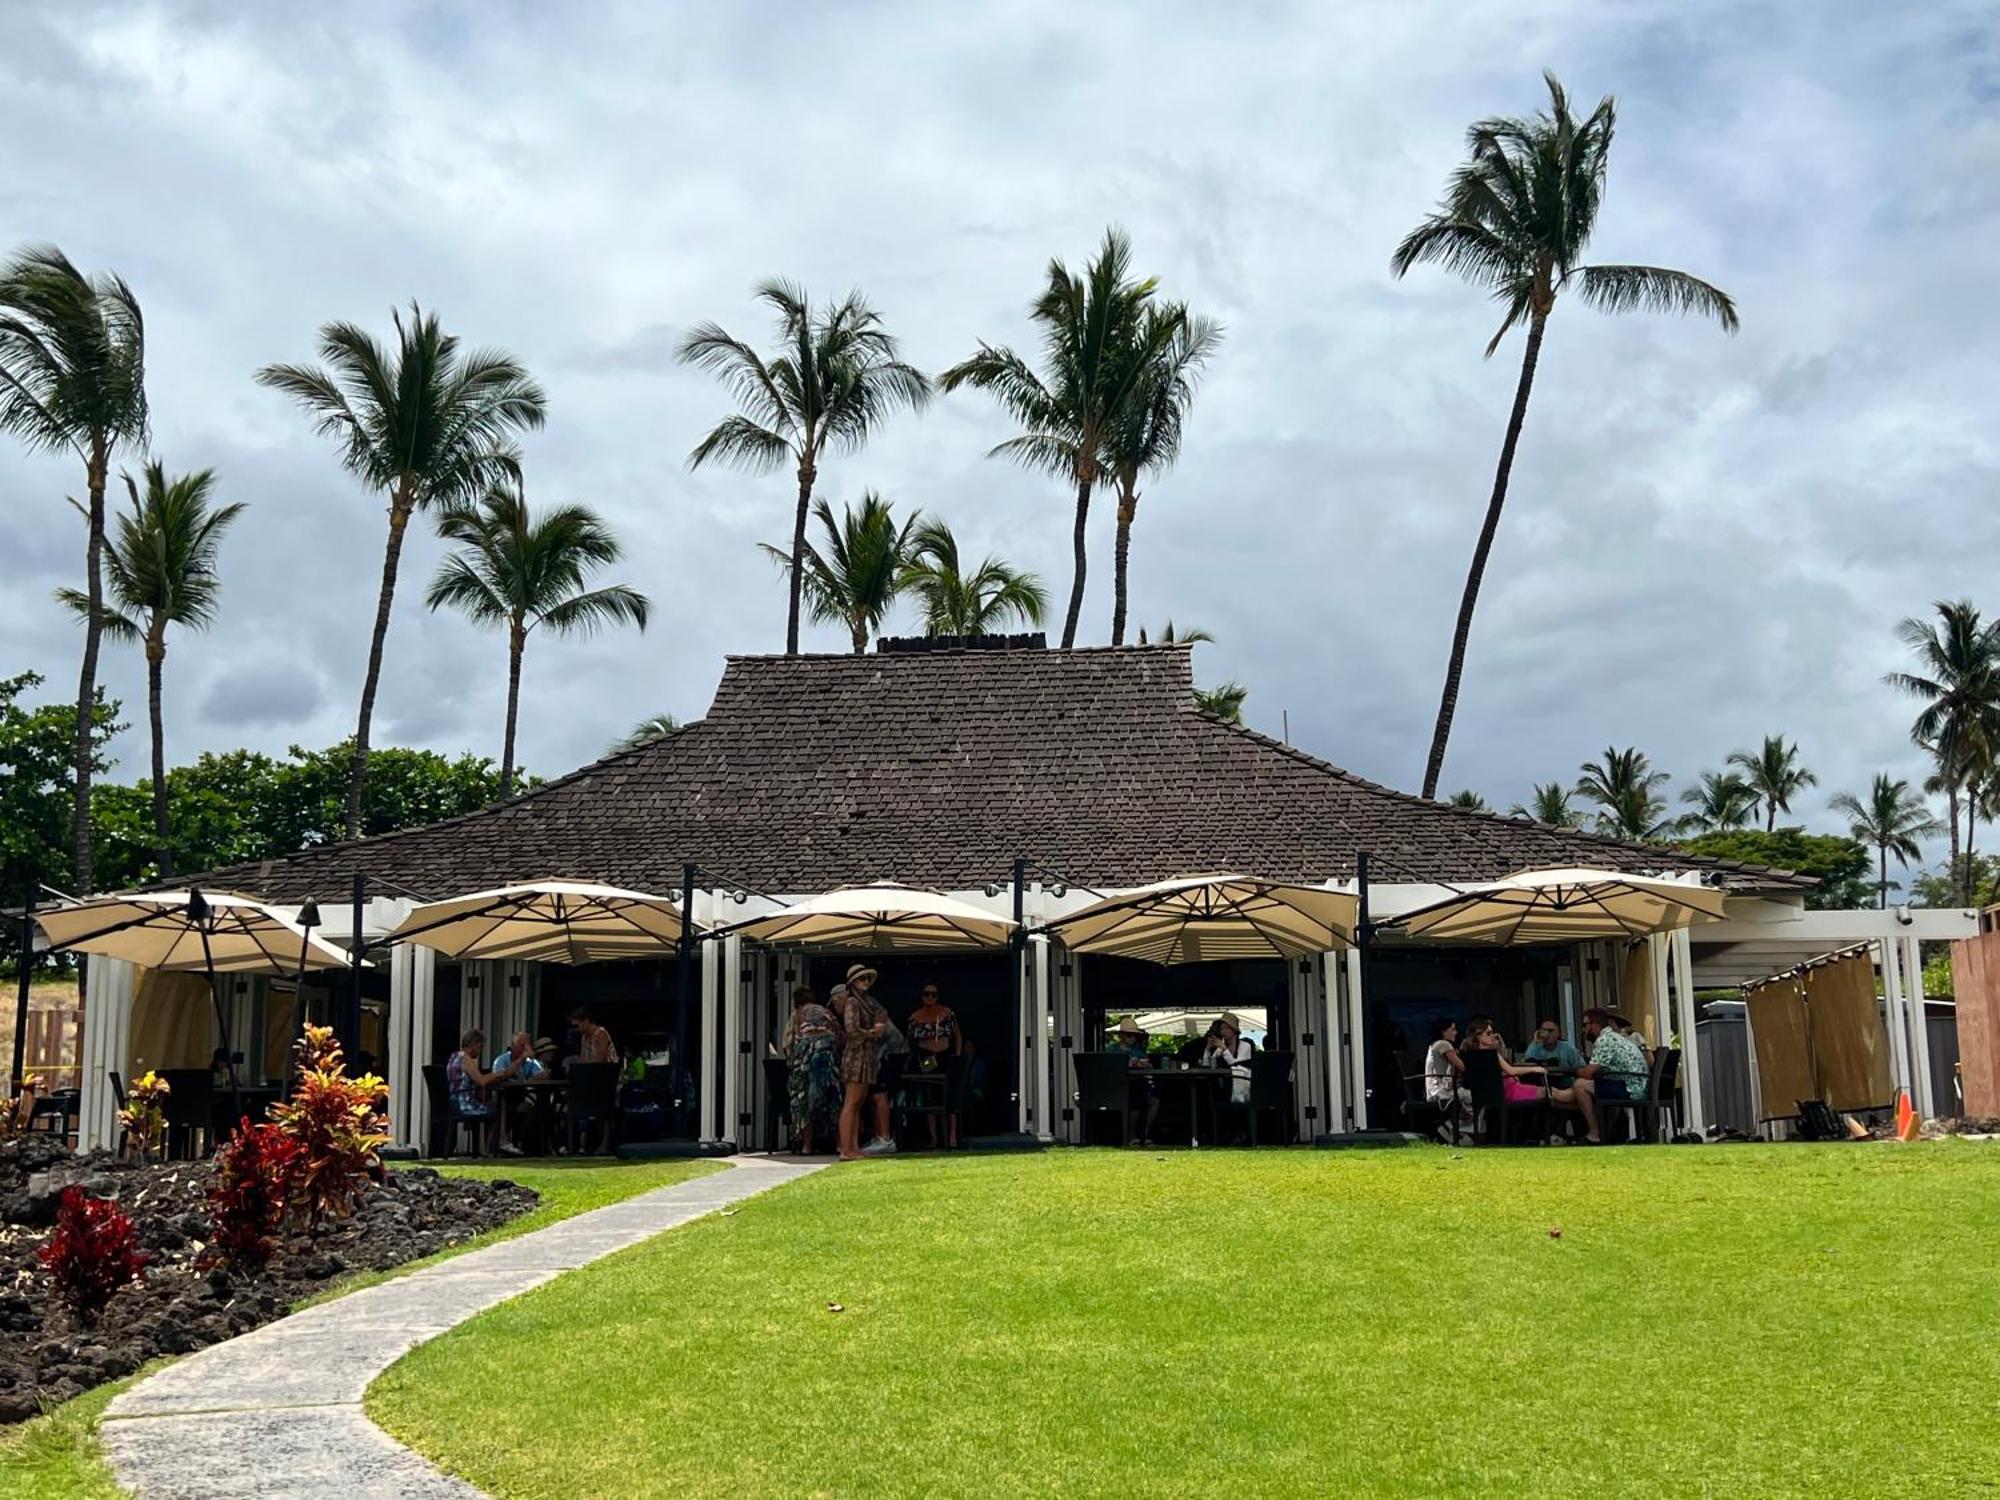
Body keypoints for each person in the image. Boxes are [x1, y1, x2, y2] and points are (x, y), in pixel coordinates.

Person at [1469, 1022, 1599, 1143]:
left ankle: (1581, 1101)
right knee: (1551, 1092)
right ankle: (1584, 1099)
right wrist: (1535, 1068)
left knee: (1553, 1094)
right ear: (1479, 1036)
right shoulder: (1492, 1054)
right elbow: (1511, 1070)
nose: (1493, 1036)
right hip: (1510, 1091)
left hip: (1494, 1093)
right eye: (1488, 1033)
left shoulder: (1472, 1055)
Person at [833, 964, 889, 1160]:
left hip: (865, 1056)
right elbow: (852, 1030)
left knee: (857, 1104)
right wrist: (873, 1032)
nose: (865, 981)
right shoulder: (852, 1003)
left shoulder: (865, 1002)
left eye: (867, 978)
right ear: (852, 982)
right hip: (856, 1057)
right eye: (861, 978)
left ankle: (853, 1147)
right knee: (851, 1103)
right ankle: (845, 1148)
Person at [780, 985, 841, 1154]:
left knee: (804, 1103)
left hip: (805, 1065)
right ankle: (840, 1144)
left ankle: (807, 1146)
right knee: (833, 1101)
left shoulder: (796, 1015)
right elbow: (839, 1036)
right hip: (827, 1063)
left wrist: (792, 1064)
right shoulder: (826, 1012)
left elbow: (787, 1043)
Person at [445, 1028, 521, 1156]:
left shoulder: (454, 1056)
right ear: (473, 1044)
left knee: (491, 1104)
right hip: (464, 1104)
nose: (480, 1051)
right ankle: (490, 1148)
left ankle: (491, 1147)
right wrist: (498, 1073)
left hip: (454, 1100)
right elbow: (481, 1081)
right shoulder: (466, 1059)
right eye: (480, 1047)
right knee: (498, 1110)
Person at [906, 981, 963, 1147]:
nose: (930, 997)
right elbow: (910, 1040)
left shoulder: (946, 1013)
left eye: (933, 994)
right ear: (921, 995)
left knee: (950, 1093)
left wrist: (957, 1054)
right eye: (927, 994)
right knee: (929, 1095)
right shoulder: (915, 1017)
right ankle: (934, 1137)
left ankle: (952, 1137)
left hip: (945, 1055)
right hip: (926, 1056)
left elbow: (957, 1035)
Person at [1579, 1008, 1651, 1116]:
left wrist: (1575, 1071)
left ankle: (1595, 1131)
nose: (1583, 1030)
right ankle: (1606, 1131)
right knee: (1579, 1091)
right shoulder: (1618, 1038)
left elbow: (1588, 1073)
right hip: (1638, 1086)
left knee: (1580, 1086)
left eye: (1584, 1025)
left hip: (1631, 1089)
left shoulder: (1606, 1039)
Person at [1107, 1017, 1162, 1145]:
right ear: (1121, 1036)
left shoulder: (1138, 1051)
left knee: (1154, 1099)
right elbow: (1109, 1067)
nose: (1132, 1038)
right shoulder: (1112, 1050)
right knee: (1137, 1099)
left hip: (1138, 1085)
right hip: (1118, 1088)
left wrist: (1144, 1064)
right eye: (1129, 1035)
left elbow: (1149, 1066)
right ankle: (1130, 1135)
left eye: (1134, 1035)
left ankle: (1144, 1134)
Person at [1421, 1020, 1472, 1139]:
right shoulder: (1444, 1045)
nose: (1456, 1032)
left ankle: (1457, 1130)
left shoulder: (1435, 1045)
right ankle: (1453, 1127)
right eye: (1453, 1029)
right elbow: (1462, 1067)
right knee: (1476, 1097)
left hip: (1435, 1090)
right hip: (1441, 1091)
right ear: (1443, 1031)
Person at [1202, 1012, 1254, 1107]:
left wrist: (1224, 1049)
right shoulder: (1220, 1048)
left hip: (1239, 1086)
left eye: (1226, 1028)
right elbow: (1208, 1065)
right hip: (1223, 1085)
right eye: (1221, 1029)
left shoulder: (1245, 1046)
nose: (1223, 1031)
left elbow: (1237, 1065)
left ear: (1234, 1030)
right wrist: (1207, 1049)